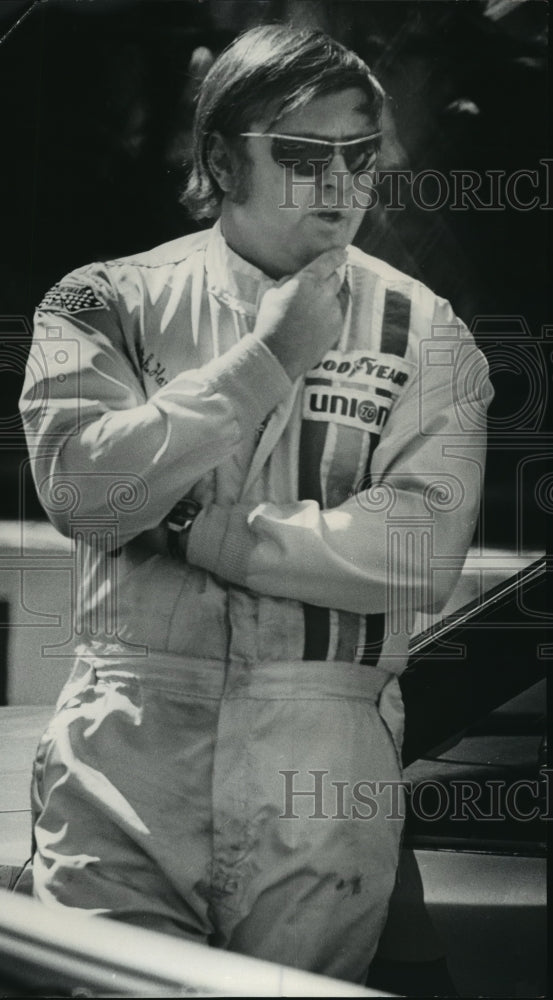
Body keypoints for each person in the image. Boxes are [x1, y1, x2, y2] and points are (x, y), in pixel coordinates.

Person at [19, 24, 493, 984]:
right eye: (303, 157)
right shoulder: (101, 298)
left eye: (358, 157)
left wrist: (197, 524)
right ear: (222, 158)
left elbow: (414, 557)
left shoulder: (428, 328)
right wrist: (265, 361)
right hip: (128, 749)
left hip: (322, 761)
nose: (339, 187)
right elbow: (81, 489)